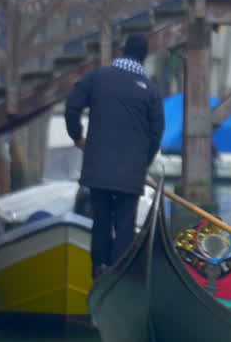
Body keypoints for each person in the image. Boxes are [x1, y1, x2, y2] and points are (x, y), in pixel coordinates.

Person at [65, 33, 164, 277]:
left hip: (98, 168)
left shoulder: (97, 77)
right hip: (130, 174)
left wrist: (77, 137)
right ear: (144, 57)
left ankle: (99, 271)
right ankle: (119, 276)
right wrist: (143, 164)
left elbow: (72, 107)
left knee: (100, 221)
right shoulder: (151, 91)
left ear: (122, 51)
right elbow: (156, 134)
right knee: (125, 226)